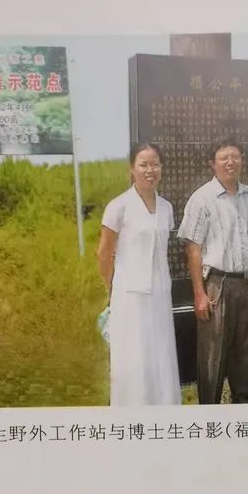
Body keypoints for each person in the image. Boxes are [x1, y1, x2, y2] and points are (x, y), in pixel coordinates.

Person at [177, 138, 248, 404]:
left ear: (242, 161)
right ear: (212, 164)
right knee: (212, 356)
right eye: (224, 158)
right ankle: (209, 414)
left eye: (235, 156)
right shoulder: (202, 198)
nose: (230, 162)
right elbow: (193, 248)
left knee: (247, 354)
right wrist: (199, 294)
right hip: (218, 285)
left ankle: (245, 412)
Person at [96, 142, 181, 406]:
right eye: (143, 165)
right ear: (131, 169)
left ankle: (165, 409)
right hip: (129, 297)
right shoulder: (118, 206)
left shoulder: (166, 208)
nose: (150, 170)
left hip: (160, 293)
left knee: (161, 354)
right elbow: (104, 254)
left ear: (162, 168)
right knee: (133, 357)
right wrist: (112, 289)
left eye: (155, 164)